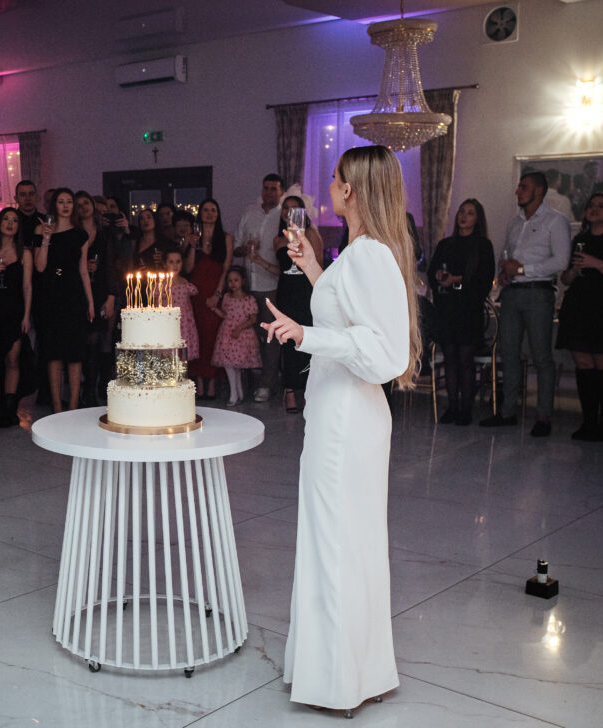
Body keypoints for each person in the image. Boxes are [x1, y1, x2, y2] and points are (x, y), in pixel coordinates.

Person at [263, 145, 420, 715]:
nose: (327, 185)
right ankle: (352, 672)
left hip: (348, 418)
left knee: (336, 542)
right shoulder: (358, 253)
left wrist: (305, 336)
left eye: (333, 178)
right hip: (340, 411)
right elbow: (347, 313)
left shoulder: (370, 254)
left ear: (350, 189)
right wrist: (312, 267)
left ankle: (340, 682)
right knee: (344, 541)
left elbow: (383, 352)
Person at [480, 172, 571, 436]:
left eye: (523, 187)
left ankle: (543, 417)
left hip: (538, 293)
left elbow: (561, 261)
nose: (517, 191)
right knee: (509, 352)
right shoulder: (515, 222)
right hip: (512, 293)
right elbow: (506, 254)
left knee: (541, 356)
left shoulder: (555, 220)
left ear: (539, 191)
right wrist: (505, 273)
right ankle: (507, 411)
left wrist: (522, 270)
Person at [426, 199, 496, 425]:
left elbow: (482, 280)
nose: (464, 216)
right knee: (449, 358)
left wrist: (456, 282)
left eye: (470, 213)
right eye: (462, 212)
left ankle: (466, 408)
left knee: (465, 359)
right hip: (447, 309)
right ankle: (452, 406)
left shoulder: (482, 246)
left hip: (468, 310)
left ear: (478, 219)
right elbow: (432, 272)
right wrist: (439, 277)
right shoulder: (446, 244)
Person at [34, 187, 95, 412]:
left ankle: (74, 405)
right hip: (51, 294)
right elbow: (40, 267)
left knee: (75, 353)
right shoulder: (42, 229)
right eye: (61, 201)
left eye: (69, 201)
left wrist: (90, 302)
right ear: (54, 205)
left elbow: (83, 271)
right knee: (54, 353)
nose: (66, 205)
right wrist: (46, 239)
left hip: (73, 294)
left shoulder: (80, 234)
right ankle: (58, 406)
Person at [556, 192, 603, 440]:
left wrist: (596, 263)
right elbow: (565, 278)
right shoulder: (580, 239)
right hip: (579, 306)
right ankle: (588, 421)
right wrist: (574, 271)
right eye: (591, 205)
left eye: (601, 206)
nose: (594, 209)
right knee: (584, 364)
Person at [0, 207, 34, 426]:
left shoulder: (25, 254)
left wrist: (26, 316)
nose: (10, 223)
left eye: (14, 220)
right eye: (6, 219)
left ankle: (10, 407)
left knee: (13, 358)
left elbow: (27, 286)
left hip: (14, 310)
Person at [272, 196, 323, 414]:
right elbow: (280, 269)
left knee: (306, 339)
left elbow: (318, 265)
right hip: (285, 292)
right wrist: (258, 261)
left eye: (295, 209)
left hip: (305, 292)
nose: (289, 212)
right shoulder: (278, 239)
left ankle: (309, 390)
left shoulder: (311, 234)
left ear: (303, 213)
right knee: (287, 341)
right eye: (286, 208)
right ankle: (290, 390)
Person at [238, 173, 285, 403]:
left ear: (281, 192)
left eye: (274, 188)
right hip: (248, 284)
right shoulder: (249, 214)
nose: (269, 192)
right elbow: (237, 247)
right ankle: (246, 383)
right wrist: (245, 248)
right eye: (266, 188)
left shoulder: (283, 216)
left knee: (270, 338)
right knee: (249, 336)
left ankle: (267, 383)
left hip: (271, 284)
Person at [188, 198, 234, 400]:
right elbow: (188, 268)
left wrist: (217, 294)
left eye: (213, 210)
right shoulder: (193, 237)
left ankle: (213, 381)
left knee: (214, 336)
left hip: (215, 290)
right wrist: (191, 245)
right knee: (196, 336)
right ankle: (199, 380)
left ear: (218, 213)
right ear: (200, 213)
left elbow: (226, 268)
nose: (209, 213)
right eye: (205, 210)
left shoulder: (226, 238)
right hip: (195, 293)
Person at [77, 191, 116, 406]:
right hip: (79, 290)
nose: (83, 207)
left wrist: (111, 296)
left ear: (92, 205)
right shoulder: (74, 232)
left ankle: (95, 388)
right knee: (84, 340)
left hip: (101, 288)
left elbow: (112, 265)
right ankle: (86, 388)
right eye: (78, 204)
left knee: (99, 339)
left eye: (86, 203)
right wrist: (82, 266)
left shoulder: (105, 232)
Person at [209, 265, 261, 406]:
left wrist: (240, 328)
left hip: (241, 335)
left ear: (243, 281)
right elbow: (225, 315)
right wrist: (215, 309)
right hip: (227, 333)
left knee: (235, 365)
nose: (232, 284)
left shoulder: (249, 299)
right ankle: (236, 392)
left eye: (236, 280)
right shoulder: (227, 297)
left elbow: (253, 319)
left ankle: (236, 393)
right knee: (229, 364)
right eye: (230, 281)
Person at [165, 247, 200, 362]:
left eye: (178, 262)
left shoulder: (185, 282)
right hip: (169, 324)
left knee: (183, 357)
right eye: (171, 262)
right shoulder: (162, 284)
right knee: (170, 357)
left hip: (185, 324)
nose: (175, 265)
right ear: (165, 264)